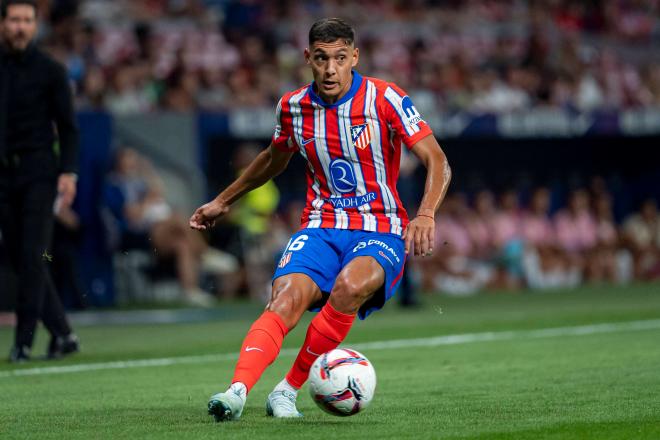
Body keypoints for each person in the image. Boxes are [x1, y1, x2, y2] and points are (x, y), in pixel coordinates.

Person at [190, 18, 451, 421]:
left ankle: (287, 390)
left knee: (350, 285)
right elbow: (273, 159)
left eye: (340, 58)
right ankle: (236, 391)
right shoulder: (294, 107)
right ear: (308, 58)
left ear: (354, 58)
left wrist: (427, 213)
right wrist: (223, 200)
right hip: (322, 225)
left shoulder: (385, 98)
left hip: (380, 226)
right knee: (285, 300)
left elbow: (437, 158)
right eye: (322, 59)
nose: (331, 69)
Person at [0, 0, 79, 362]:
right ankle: (63, 333)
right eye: (14, 20)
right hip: (3, 175)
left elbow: (68, 127)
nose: (20, 27)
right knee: (21, 258)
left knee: (32, 255)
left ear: (35, 25)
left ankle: (23, 342)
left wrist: (68, 172)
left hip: (39, 174)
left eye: (26, 20)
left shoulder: (50, 70)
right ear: (3, 23)